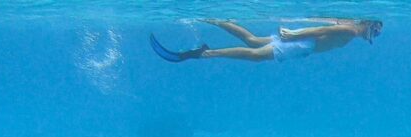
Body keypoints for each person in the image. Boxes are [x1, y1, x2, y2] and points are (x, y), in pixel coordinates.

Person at [150, 18, 382, 63]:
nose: (373, 34)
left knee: (252, 40)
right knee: (255, 57)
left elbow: (323, 31)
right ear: (366, 22)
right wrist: (295, 36)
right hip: (303, 44)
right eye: (374, 29)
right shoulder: (351, 30)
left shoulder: (351, 28)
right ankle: (204, 53)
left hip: (304, 46)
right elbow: (321, 30)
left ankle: (213, 19)